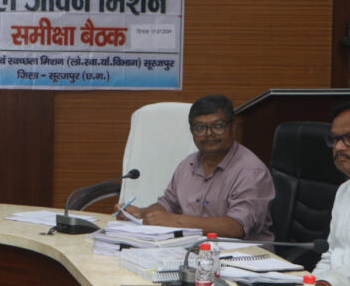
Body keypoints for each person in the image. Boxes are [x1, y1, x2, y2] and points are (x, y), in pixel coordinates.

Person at [115, 94, 274, 241]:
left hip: (244, 256)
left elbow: (237, 227)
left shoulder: (251, 171)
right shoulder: (187, 164)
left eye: (218, 126)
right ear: (192, 132)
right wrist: (142, 213)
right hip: (194, 251)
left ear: (233, 128)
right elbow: (167, 204)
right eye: (200, 128)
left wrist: (176, 221)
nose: (209, 134)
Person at [312, 103, 350, 286]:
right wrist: (312, 281)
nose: (339, 147)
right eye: (335, 139)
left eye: (349, 138)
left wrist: (326, 282)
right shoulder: (344, 190)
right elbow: (329, 256)